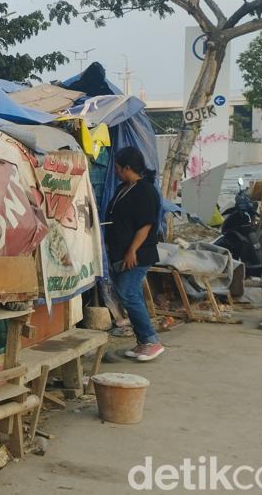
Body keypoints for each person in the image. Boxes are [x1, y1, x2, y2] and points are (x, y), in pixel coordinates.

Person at [105, 147, 164, 362]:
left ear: (127, 168)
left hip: (138, 253)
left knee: (127, 292)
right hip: (121, 252)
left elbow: (145, 225)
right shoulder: (124, 188)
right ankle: (143, 342)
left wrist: (132, 250)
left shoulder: (145, 191)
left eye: (119, 168)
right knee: (132, 294)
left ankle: (151, 340)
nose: (116, 172)